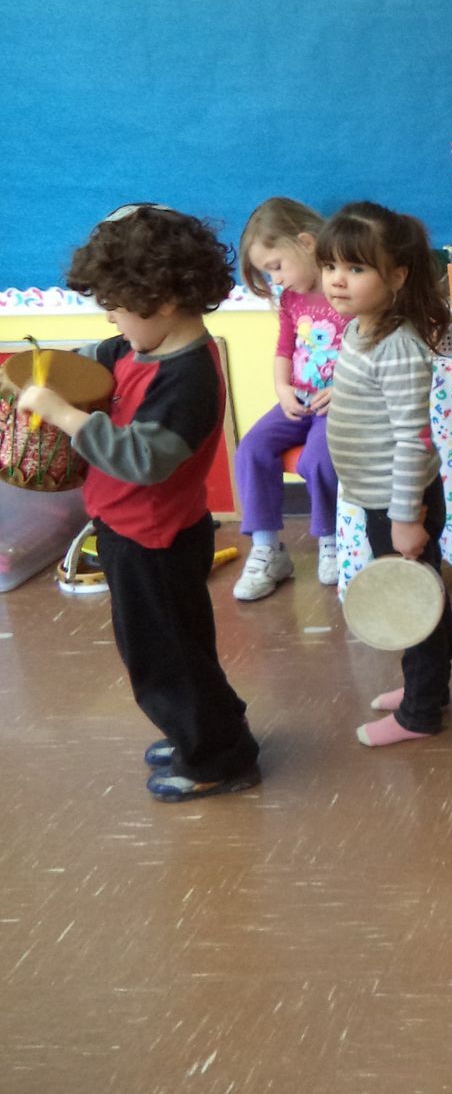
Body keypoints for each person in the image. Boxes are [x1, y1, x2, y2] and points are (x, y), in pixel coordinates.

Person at [20, 205, 261, 801]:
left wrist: (65, 415)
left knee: (165, 659)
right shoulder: (133, 349)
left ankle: (215, 758)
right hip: (132, 530)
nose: (111, 317)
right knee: (174, 649)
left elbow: (142, 459)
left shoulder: (188, 378)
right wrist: (57, 373)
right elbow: (100, 364)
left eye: (118, 305)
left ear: (165, 300)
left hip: (155, 538)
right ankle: (208, 730)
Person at [319, 202, 452, 747]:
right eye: (331, 266)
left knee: (412, 602)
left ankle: (421, 713)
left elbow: (413, 439)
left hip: (400, 504)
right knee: (421, 596)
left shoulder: (397, 347)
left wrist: (404, 518)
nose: (337, 280)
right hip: (379, 498)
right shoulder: (362, 330)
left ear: (397, 276)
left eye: (356, 268)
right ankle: (427, 688)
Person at [231, 197, 348, 600]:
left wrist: (345, 389)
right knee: (252, 448)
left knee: (320, 458)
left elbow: (371, 349)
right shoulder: (291, 299)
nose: (276, 280)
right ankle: (267, 549)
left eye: (276, 267)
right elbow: (284, 350)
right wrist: (282, 390)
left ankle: (332, 541)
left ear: (306, 242)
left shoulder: (346, 291)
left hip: (340, 406)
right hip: (298, 399)